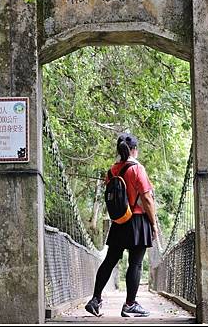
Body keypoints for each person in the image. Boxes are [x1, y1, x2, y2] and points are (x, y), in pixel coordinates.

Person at [85, 133, 159, 318]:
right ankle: (130, 304)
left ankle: (95, 300)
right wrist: (154, 224)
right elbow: (147, 199)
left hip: (119, 221)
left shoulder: (111, 170)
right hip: (137, 220)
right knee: (135, 263)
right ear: (135, 149)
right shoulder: (137, 169)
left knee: (110, 260)